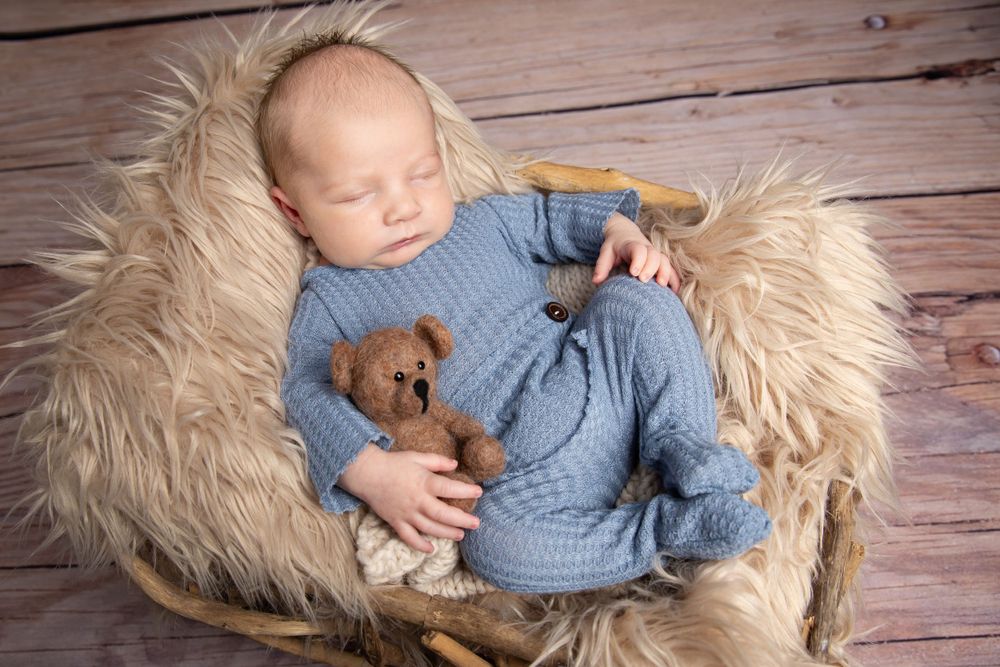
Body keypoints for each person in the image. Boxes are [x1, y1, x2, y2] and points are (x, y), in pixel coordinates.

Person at [259, 35, 771, 593]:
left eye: (423, 174)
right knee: (497, 548)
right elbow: (309, 391)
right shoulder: (330, 299)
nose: (402, 207)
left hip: (591, 378)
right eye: (358, 195)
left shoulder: (480, 223)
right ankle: (663, 528)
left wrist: (618, 232)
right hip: (522, 473)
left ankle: (684, 445)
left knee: (639, 296)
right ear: (295, 210)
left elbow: (553, 218)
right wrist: (369, 471)